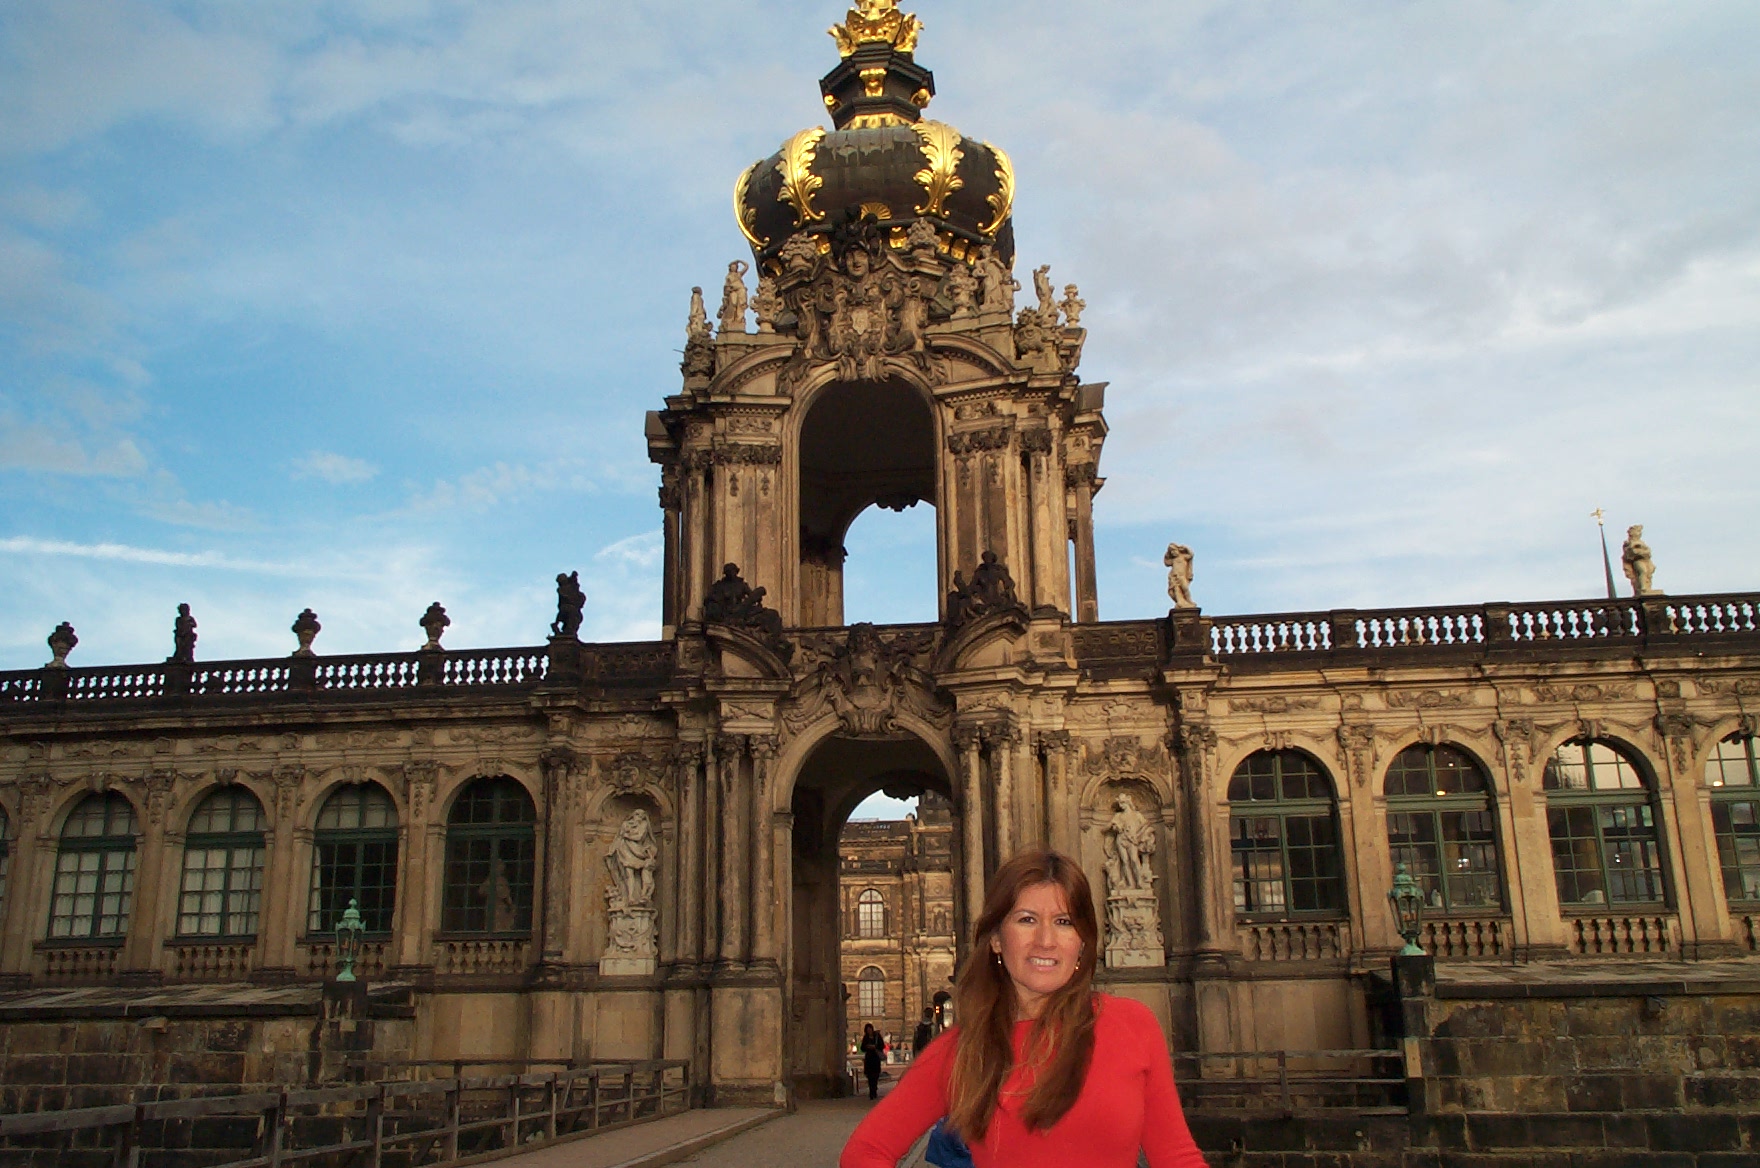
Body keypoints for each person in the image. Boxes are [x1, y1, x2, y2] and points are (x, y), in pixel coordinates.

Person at [840, 851, 1208, 1168]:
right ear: (997, 940)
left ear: (1082, 941)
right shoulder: (963, 1051)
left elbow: (1177, 1157)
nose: (1046, 941)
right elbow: (865, 1152)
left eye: (1064, 922)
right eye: (1027, 919)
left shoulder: (1132, 1025)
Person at [861, 1023, 886, 1100]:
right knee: (869, 1076)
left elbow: (882, 1045)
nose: (869, 1031)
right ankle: (871, 1091)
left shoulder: (877, 1036)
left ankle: (874, 1089)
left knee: (875, 1075)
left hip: (876, 1058)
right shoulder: (866, 1037)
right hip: (869, 1059)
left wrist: (875, 1047)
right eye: (867, 1030)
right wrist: (867, 1047)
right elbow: (862, 1048)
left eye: (870, 1029)